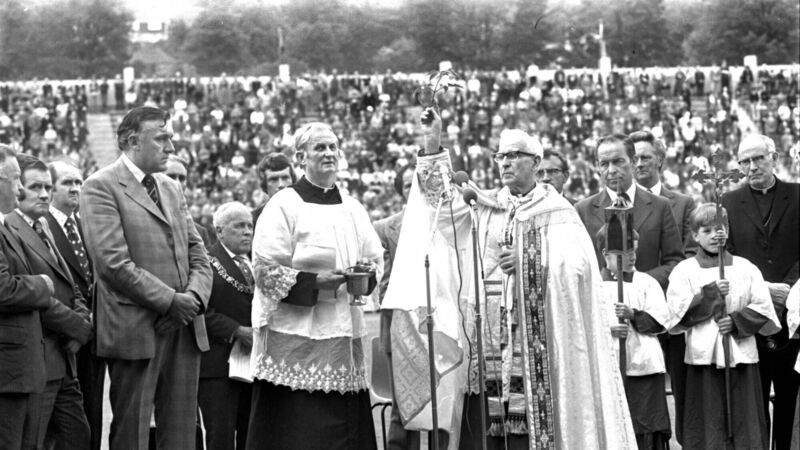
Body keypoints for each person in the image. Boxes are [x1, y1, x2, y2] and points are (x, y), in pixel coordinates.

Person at [383, 110, 636, 449]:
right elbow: (438, 207)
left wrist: (526, 259)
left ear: (535, 162)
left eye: (514, 155)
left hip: (539, 344)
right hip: (486, 335)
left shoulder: (557, 212)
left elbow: (577, 270)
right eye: (500, 156)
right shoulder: (485, 204)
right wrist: (433, 143)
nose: (505, 162)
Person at [80, 106, 213, 450]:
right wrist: (171, 302)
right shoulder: (100, 187)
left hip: (183, 329)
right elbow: (112, 263)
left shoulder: (170, 187)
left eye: (170, 137)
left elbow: (199, 253)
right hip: (136, 330)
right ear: (132, 141)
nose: (170, 146)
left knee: (182, 435)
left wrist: (194, 301)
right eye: (162, 137)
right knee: (132, 433)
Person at [248, 122, 383, 450]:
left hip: (342, 330)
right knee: (299, 432)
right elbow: (264, 270)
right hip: (296, 332)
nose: (328, 153)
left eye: (332, 147)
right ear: (300, 157)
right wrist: (312, 282)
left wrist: (365, 276)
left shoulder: (353, 208)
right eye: (319, 147)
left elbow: (374, 258)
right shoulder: (283, 205)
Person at [667, 203, 781, 449]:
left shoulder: (745, 268)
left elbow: (763, 307)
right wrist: (709, 295)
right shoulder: (684, 271)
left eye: (720, 228)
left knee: (744, 419)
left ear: (727, 231)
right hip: (703, 357)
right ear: (695, 235)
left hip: (739, 356)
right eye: (706, 230)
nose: (715, 235)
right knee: (708, 419)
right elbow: (677, 316)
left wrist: (737, 321)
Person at [6, 154, 93, 450]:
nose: (44, 194)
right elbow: (35, 295)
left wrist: (81, 321)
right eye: (34, 187)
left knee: (78, 436)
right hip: (38, 357)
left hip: (64, 358)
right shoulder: (11, 230)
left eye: (46, 187)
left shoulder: (44, 227)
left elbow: (72, 287)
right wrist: (80, 327)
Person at [721, 134, 800, 450]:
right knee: (753, 403)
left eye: (758, 159)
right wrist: (762, 288)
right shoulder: (727, 202)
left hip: (794, 312)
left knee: (790, 396)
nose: (752, 167)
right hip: (750, 314)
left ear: (774, 157)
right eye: (744, 161)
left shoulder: (798, 195)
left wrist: (791, 289)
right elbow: (726, 254)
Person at [626, 129, 695, 445]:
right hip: (628, 317)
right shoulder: (612, 202)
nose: (639, 163)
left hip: (672, 312)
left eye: (645, 157)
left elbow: (688, 256)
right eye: (635, 157)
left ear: (660, 161)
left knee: (681, 388)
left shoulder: (681, 203)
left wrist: (643, 285)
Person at [44, 160, 105, 450]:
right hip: (63, 340)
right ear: (51, 187)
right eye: (67, 182)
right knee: (65, 429)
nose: (75, 188)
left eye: (79, 182)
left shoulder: (86, 225)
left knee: (93, 415)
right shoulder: (42, 227)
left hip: (93, 337)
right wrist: (77, 326)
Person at [0, 144, 57, 450]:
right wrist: (42, 285)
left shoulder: (5, 224)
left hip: (19, 369)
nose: (20, 189)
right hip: (7, 372)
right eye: (15, 180)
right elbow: (3, 289)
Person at [575, 134, 684, 289]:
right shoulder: (583, 209)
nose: (611, 170)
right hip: (603, 304)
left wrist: (640, 283)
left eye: (618, 161)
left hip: (647, 305)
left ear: (633, 162)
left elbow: (675, 262)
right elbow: (580, 265)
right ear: (598, 167)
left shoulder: (660, 206)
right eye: (604, 164)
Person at [598, 227, 672, 450]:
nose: (631, 257)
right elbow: (583, 323)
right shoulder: (594, 285)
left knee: (647, 425)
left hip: (644, 367)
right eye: (622, 253)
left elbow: (662, 320)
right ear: (605, 254)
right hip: (610, 365)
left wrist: (634, 315)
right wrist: (608, 330)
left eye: (634, 251)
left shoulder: (647, 283)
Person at [199, 201, 254, 450]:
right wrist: (236, 330)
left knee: (251, 434)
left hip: (254, 363)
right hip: (217, 366)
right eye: (239, 226)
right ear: (219, 231)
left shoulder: (257, 262)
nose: (247, 232)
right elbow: (199, 312)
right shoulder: (205, 262)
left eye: (249, 226)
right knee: (220, 436)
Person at [373, 163, 417, 449]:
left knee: (444, 406)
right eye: (407, 186)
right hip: (400, 322)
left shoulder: (448, 223)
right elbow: (383, 284)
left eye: (419, 185)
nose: (414, 191)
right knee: (403, 407)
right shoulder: (385, 228)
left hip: (441, 324)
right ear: (400, 193)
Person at [165, 154, 214, 247]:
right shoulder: (137, 220)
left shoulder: (200, 233)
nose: (177, 183)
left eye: (182, 178)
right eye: (171, 176)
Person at [251, 152, 296, 225]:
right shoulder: (255, 219)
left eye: (285, 178)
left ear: (292, 180)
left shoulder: (308, 212)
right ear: (265, 185)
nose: (281, 184)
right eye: (274, 179)